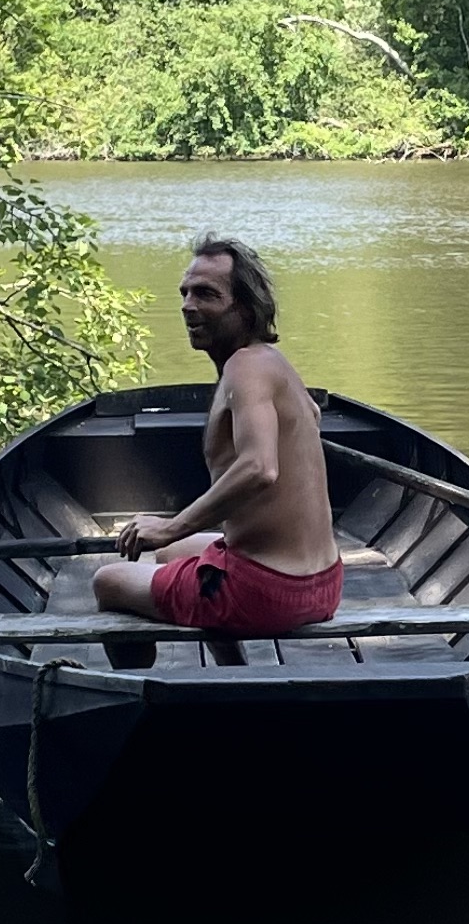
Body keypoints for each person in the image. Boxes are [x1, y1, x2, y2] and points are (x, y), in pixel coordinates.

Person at [92, 234, 344, 635]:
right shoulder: (272, 362)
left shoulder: (245, 368)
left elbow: (260, 468)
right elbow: (311, 416)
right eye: (185, 293)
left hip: (266, 591)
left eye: (206, 294)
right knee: (172, 553)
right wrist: (171, 535)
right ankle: (231, 667)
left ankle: (148, 678)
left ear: (244, 307)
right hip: (323, 583)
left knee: (108, 581)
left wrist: (171, 526)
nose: (188, 305)